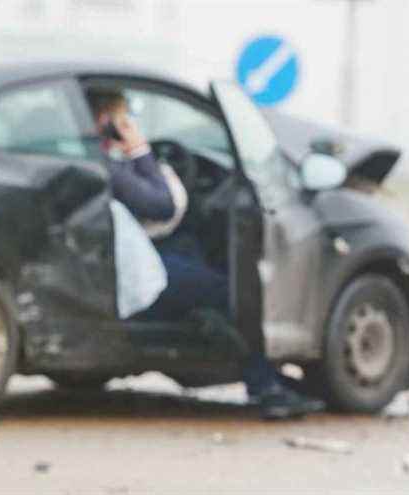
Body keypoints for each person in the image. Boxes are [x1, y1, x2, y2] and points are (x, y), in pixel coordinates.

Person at [87, 87, 325, 420]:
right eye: (123, 118)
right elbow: (161, 204)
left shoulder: (93, 160)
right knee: (228, 291)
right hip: (126, 274)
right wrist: (140, 150)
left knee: (191, 251)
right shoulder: (105, 166)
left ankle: (259, 369)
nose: (129, 124)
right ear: (105, 121)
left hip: (118, 258)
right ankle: (262, 383)